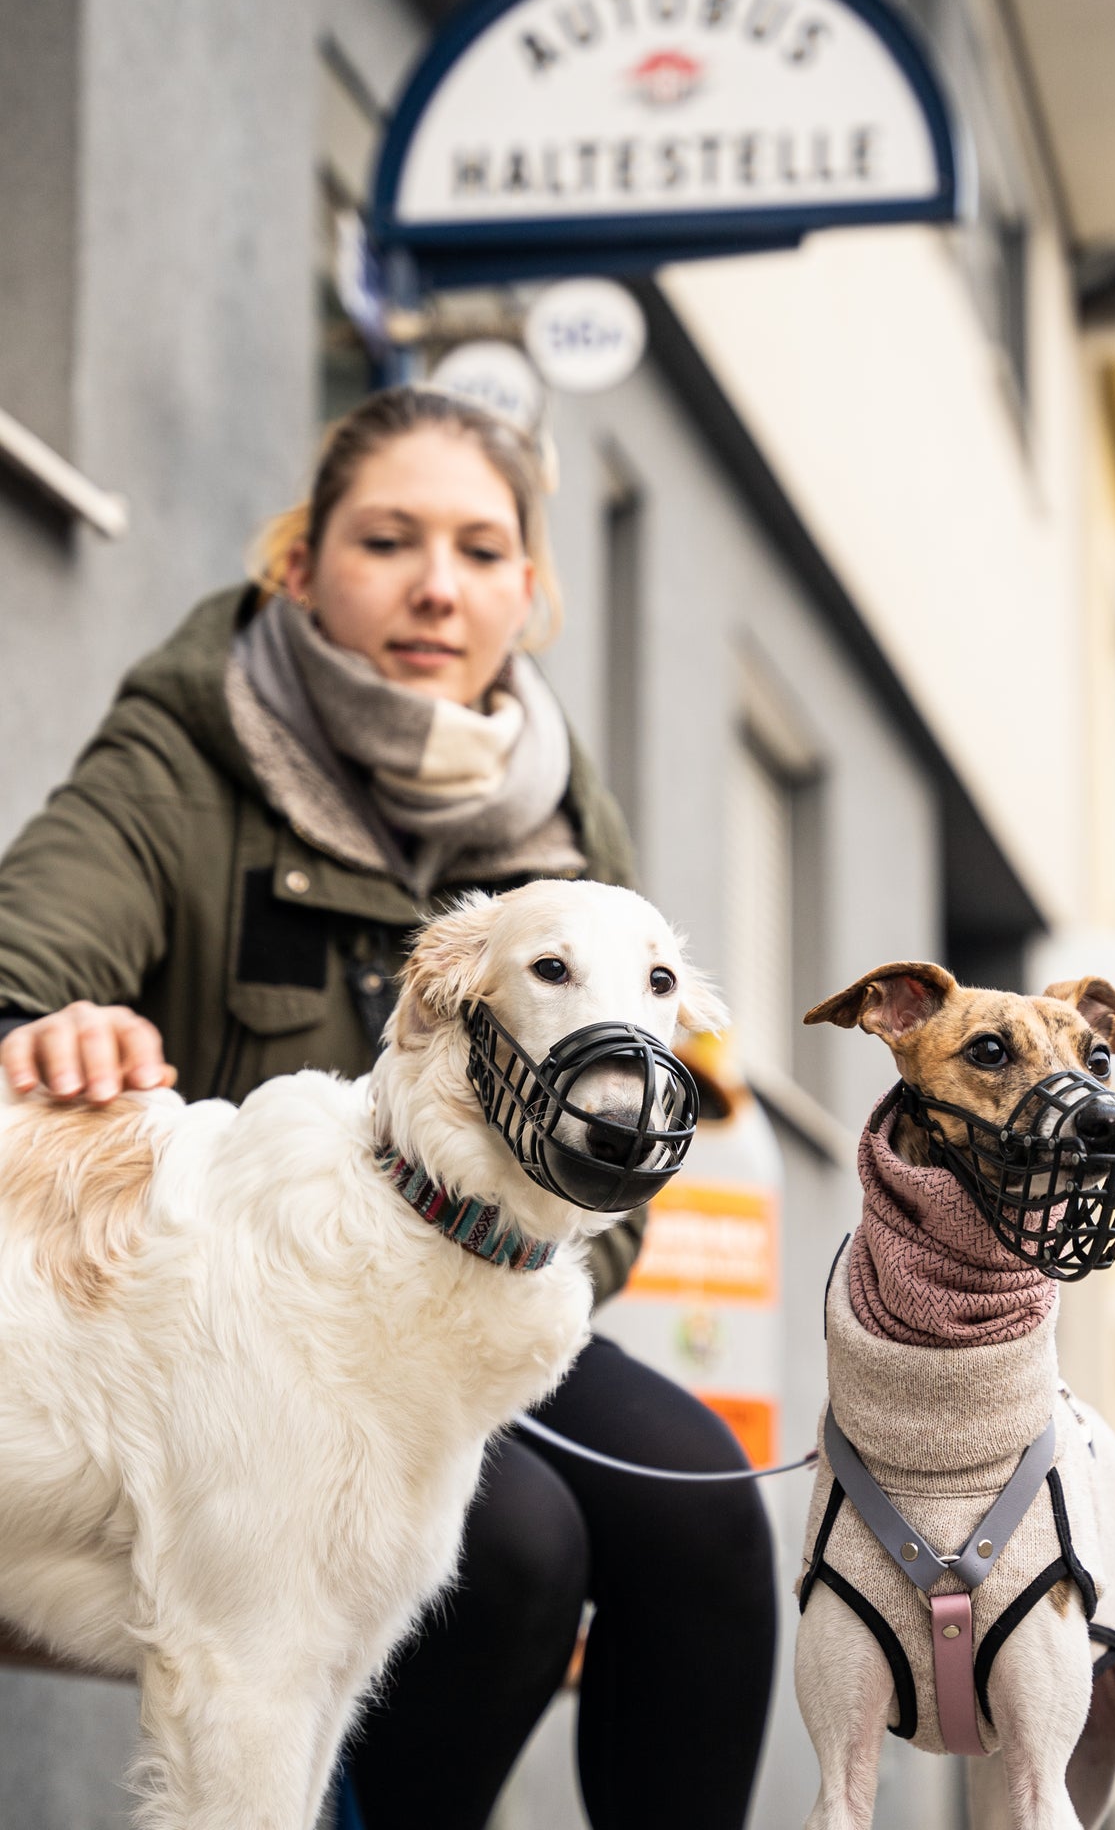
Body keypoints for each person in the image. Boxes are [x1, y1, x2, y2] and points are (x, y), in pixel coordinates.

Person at [0, 386, 777, 1830]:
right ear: (299, 565)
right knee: (519, 1544)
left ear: (528, 591)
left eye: (481, 550)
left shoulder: (565, 825)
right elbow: (22, 958)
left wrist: (530, 1255)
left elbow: (614, 1137)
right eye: (388, 539)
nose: (436, 584)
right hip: (244, 1310)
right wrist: (52, 1026)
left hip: (486, 1296)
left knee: (703, 1504)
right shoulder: (186, 747)